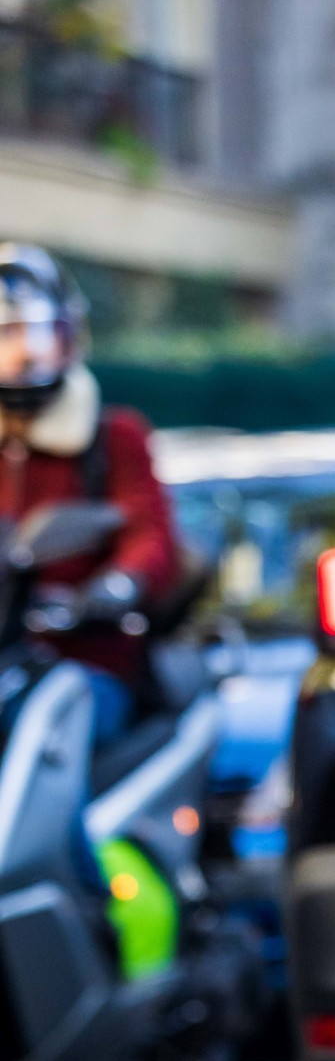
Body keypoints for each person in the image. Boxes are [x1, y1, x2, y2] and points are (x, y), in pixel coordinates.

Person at [0, 244, 180, 749]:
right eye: (5, 336)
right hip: (5, 661)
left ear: (68, 337)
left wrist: (116, 586)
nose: (23, 353)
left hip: (86, 665)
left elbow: (152, 537)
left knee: (42, 736)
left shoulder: (114, 437)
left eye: (35, 332)